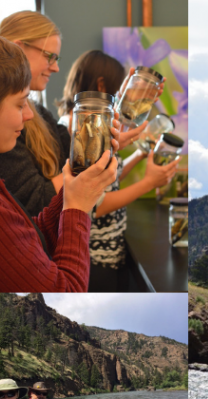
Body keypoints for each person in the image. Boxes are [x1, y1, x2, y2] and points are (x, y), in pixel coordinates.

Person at [0, 30, 117, 291]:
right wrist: (78, 210)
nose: (28, 116)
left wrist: (74, 191)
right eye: (20, 104)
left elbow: (21, 240)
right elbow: (66, 295)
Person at [0, 11, 146, 217]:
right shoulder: (0, 123)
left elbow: (75, 155)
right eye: (50, 57)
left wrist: (115, 110)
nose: (55, 68)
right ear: (19, 49)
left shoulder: (40, 113)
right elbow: (38, 200)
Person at [57, 50, 179, 291]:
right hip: (96, 260)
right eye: (119, 84)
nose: (123, 94)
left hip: (109, 253)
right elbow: (95, 203)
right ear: (102, 84)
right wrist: (148, 183)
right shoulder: (78, 125)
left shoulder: (94, 122)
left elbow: (106, 178)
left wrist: (141, 152)